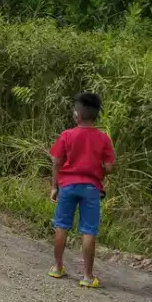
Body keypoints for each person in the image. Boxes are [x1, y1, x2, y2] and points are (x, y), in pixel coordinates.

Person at [48, 92, 115, 288]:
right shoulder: (103, 139)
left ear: (77, 114)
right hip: (91, 188)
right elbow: (109, 167)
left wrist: (55, 186)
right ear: (96, 116)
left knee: (61, 225)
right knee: (89, 230)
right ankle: (87, 276)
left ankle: (57, 267)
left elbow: (56, 161)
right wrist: (98, 169)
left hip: (67, 186)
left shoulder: (67, 135)